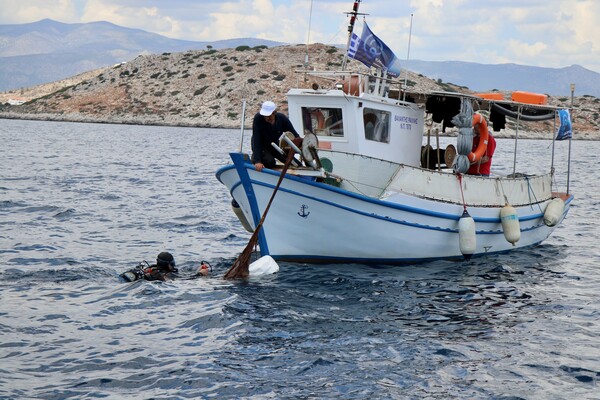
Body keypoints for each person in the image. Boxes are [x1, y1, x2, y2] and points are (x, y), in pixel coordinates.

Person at [251, 100, 300, 171]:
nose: (267, 118)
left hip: (274, 145)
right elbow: (256, 139)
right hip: (261, 145)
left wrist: (301, 145)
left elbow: (294, 135)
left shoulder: (282, 119)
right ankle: (256, 158)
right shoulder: (258, 118)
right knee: (270, 162)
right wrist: (257, 161)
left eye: (269, 116)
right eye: (265, 116)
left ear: (274, 113)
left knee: (295, 163)